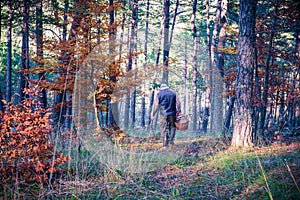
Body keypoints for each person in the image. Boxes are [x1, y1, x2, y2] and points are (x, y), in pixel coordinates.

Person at [151, 83, 181, 147]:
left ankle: (165, 144)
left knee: (163, 128)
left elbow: (156, 105)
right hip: (172, 113)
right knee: (172, 127)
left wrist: (153, 113)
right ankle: (171, 141)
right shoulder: (173, 93)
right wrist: (179, 111)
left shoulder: (159, 94)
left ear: (161, 88)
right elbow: (178, 103)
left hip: (163, 114)